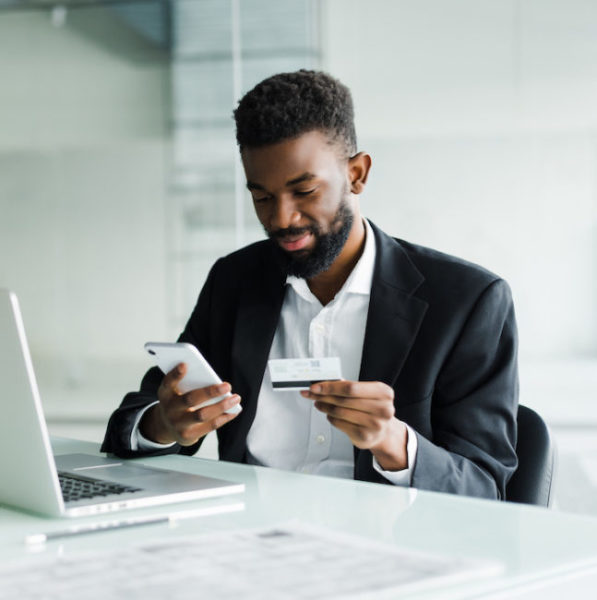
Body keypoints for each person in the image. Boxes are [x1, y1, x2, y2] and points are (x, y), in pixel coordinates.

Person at [102, 70, 518, 499]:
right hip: (249, 542)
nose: (281, 218)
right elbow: (130, 424)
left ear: (356, 174)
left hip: (391, 545)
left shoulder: (468, 302)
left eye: (304, 191)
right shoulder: (235, 281)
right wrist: (165, 425)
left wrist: (396, 444)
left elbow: (486, 488)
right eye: (262, 197)